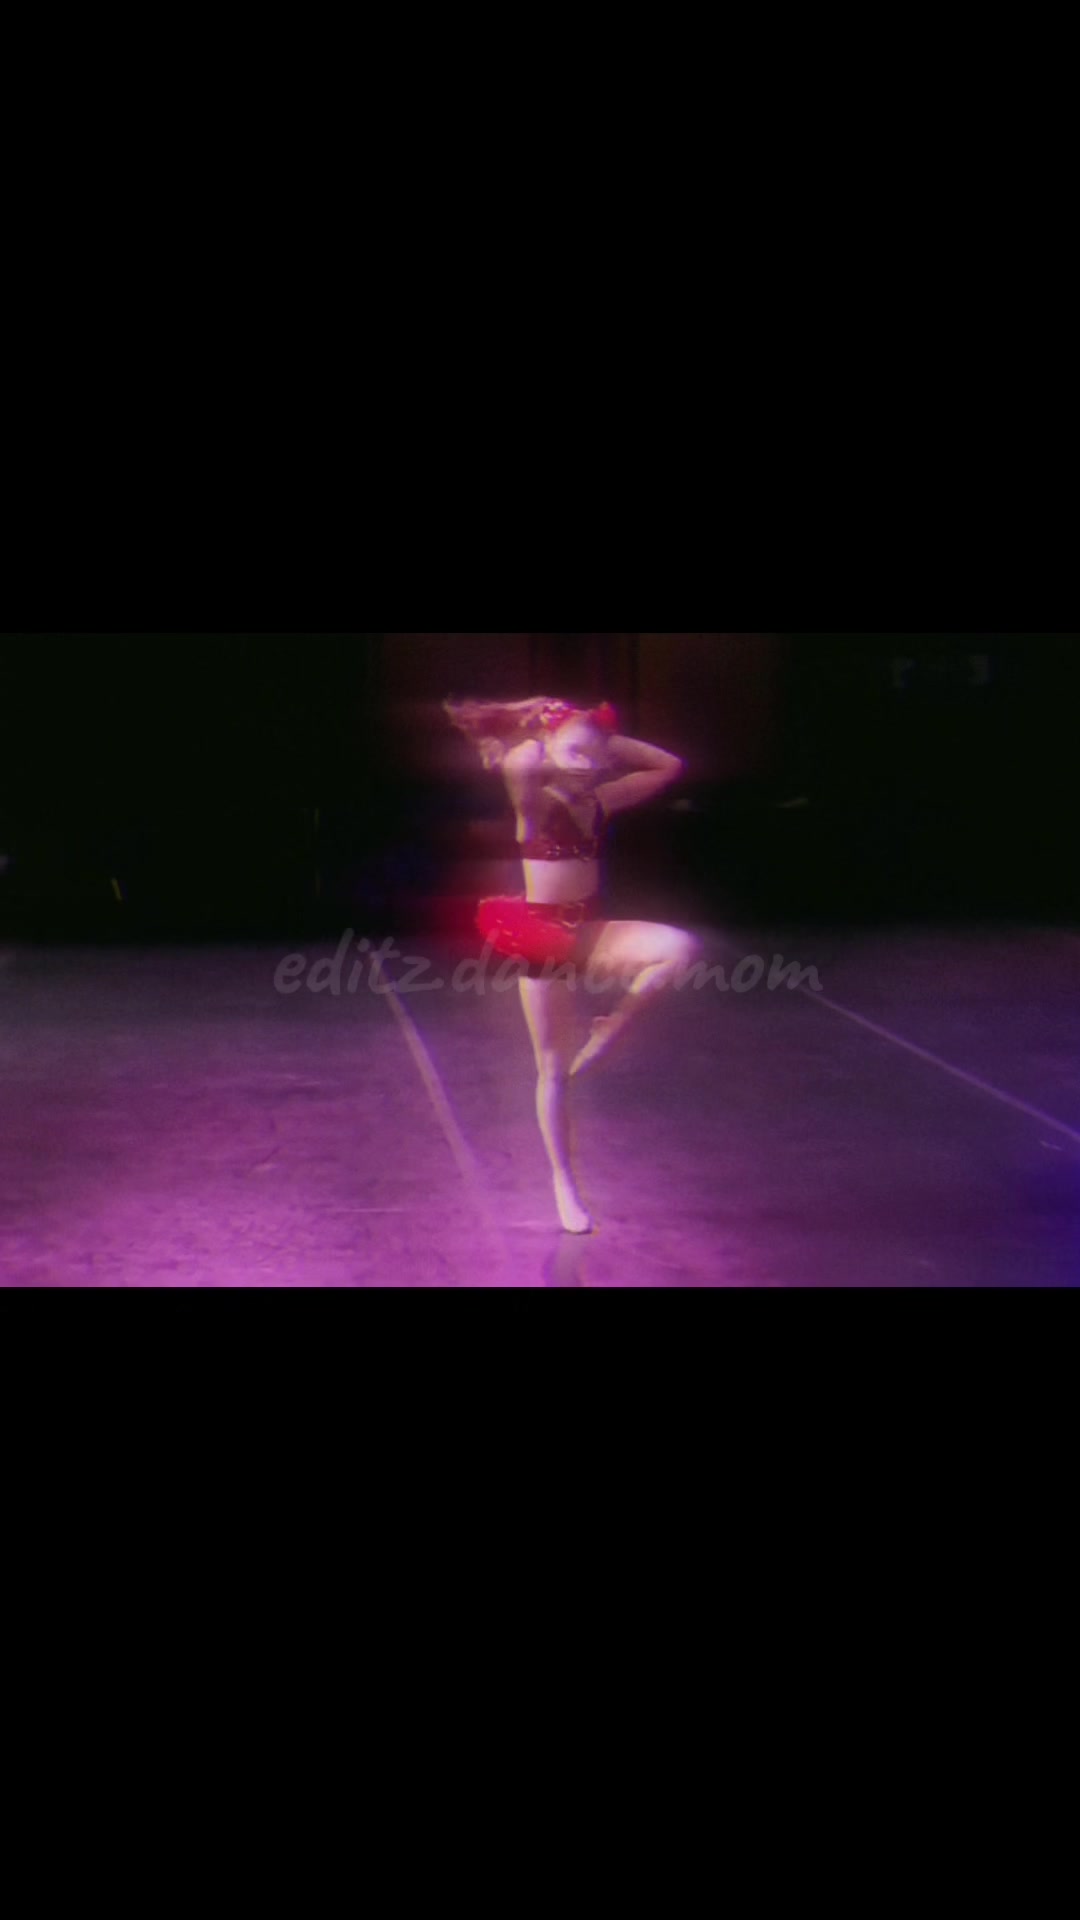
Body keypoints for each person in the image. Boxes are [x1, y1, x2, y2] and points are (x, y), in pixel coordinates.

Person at [445, 694, 702, 1235]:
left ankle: (611, 1030)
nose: (588, 766)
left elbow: (668, 766)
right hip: (543, 936)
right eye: (577, 755)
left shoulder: (602, 801)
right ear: (551, 751)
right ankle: (564, 1182)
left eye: (597, 758)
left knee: (679, 949)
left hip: (589, 932)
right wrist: (547, 721)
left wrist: (599, 734)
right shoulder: (534, 805)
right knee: (553, 1068)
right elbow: (522, 760)